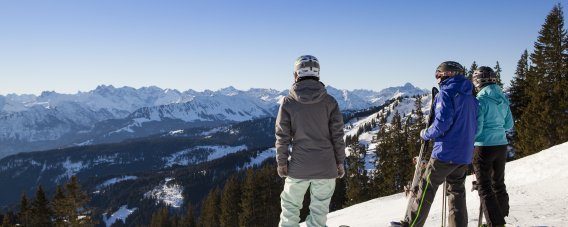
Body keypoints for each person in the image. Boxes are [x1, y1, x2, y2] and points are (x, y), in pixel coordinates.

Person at [392, 61, 478, 227]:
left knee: (426, 189)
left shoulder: (446, 94)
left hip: (445, 153)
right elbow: (476, 125)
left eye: (438, 75)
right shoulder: (471, 98)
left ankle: (411, 224)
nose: (437, 79)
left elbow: (442, 123)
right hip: (464, 154)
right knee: (457, 192)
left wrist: (426, 133)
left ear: (447, 74)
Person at [275, 55, 346, 227]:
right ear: (318, 75)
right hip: (326, 166)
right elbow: (338, 135)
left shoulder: (288, 102)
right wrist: (340, 162)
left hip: (299, 167)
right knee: (319, 213)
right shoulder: (330, 102)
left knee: (290, 209)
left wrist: (282, 162)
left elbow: (282, 136)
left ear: (296, 75)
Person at [471, 66, 513, 227]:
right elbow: (509, 124)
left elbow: (478, 129)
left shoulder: (480, 100)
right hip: (501, 145)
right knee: (498, 183)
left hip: (483, 147)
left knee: (484, 187)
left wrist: (469, 141)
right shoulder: (502, 98)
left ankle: (495, 223)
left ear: (477, 81)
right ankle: (500, 216)